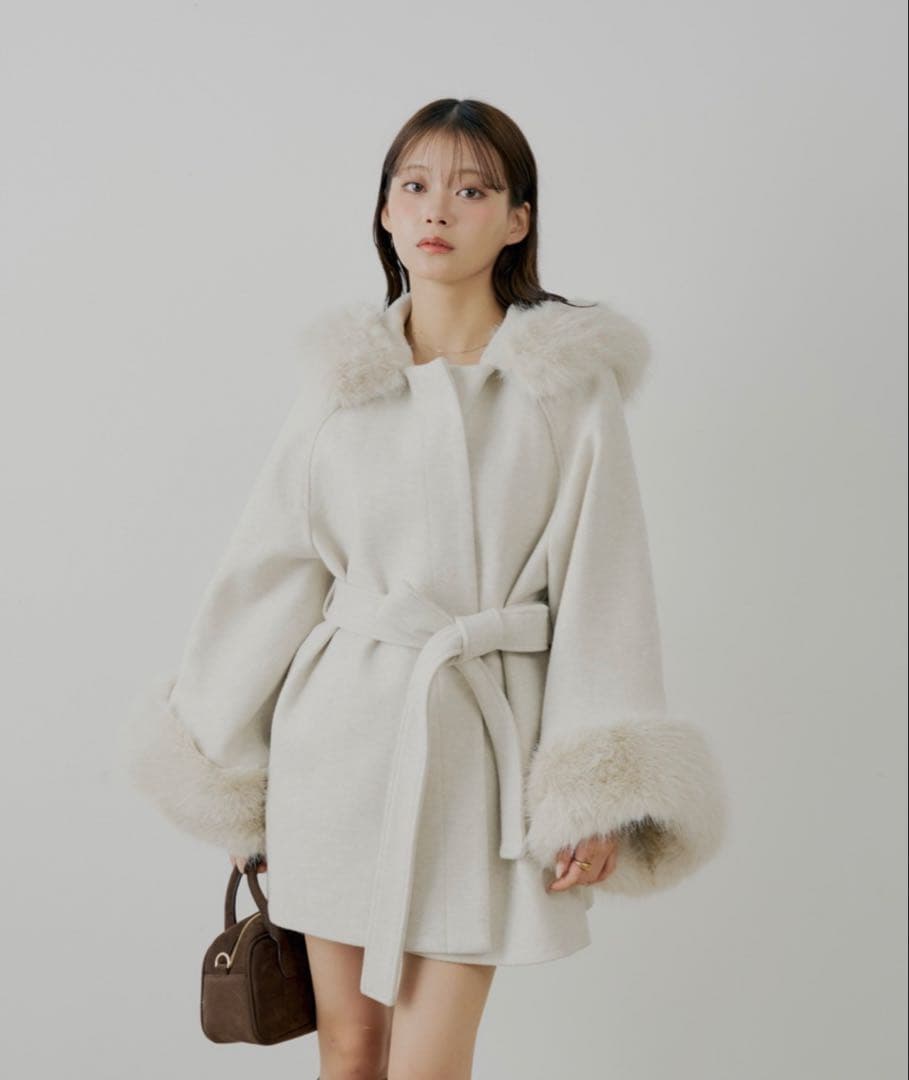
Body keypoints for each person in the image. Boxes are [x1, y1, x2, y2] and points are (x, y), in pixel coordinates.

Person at [121, 97, 728, 1079]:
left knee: (429, 1065)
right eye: (414, 186)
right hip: (336, 751)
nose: (438, 208)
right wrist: (234, 777)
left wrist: (594, 792)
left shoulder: (566, 387)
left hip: (477, 755)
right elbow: (270, 571)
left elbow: (606, 585)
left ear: (517, 219)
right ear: (386, 212)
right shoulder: (342, 384)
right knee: (350, 1050)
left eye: (472, 189)